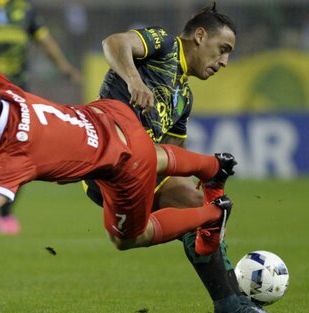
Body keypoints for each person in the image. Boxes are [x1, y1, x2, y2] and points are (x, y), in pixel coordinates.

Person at [0, 24, 236, 283]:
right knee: (154, 152)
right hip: (110, 114)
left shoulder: (14, 157)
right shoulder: (1, 90)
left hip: (125, 163)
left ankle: (211, 214)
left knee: (130, 237)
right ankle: (213, 165)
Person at [84, 4, 266, 313]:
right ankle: (232, 302)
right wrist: (133, 80)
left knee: (201, 207)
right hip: (109, 164)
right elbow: (114, 42)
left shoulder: (185, 97)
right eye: (222, 49)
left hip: (140, 171)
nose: (224, 62)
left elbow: (171, 157)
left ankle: (232, 301)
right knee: (197, 208)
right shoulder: (165, 45)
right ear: (199, 35)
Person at [0, 0, 83, 234]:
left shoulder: (25, 10)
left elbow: (45, 41)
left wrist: (64, 66)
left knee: (18, 149)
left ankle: (3, 213)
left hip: (17, 92)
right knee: (0, 151)